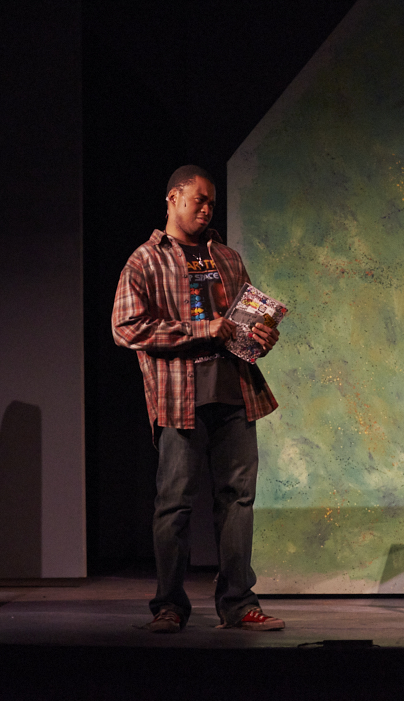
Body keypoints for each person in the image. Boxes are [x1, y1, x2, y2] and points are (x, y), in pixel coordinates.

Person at [112, 165, 285, 633]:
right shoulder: (145, 261)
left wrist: (261, 337)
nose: (207, 209)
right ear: (173, 198)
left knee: (238, 500)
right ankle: (169, 605)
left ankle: (238, 604)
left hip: (235, 391)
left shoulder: (226, 257)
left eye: (212, 203)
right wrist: (199, 329)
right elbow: (125, 328)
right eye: (199, 200)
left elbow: (243, 320)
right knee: (174, 504)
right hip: (179, 397)